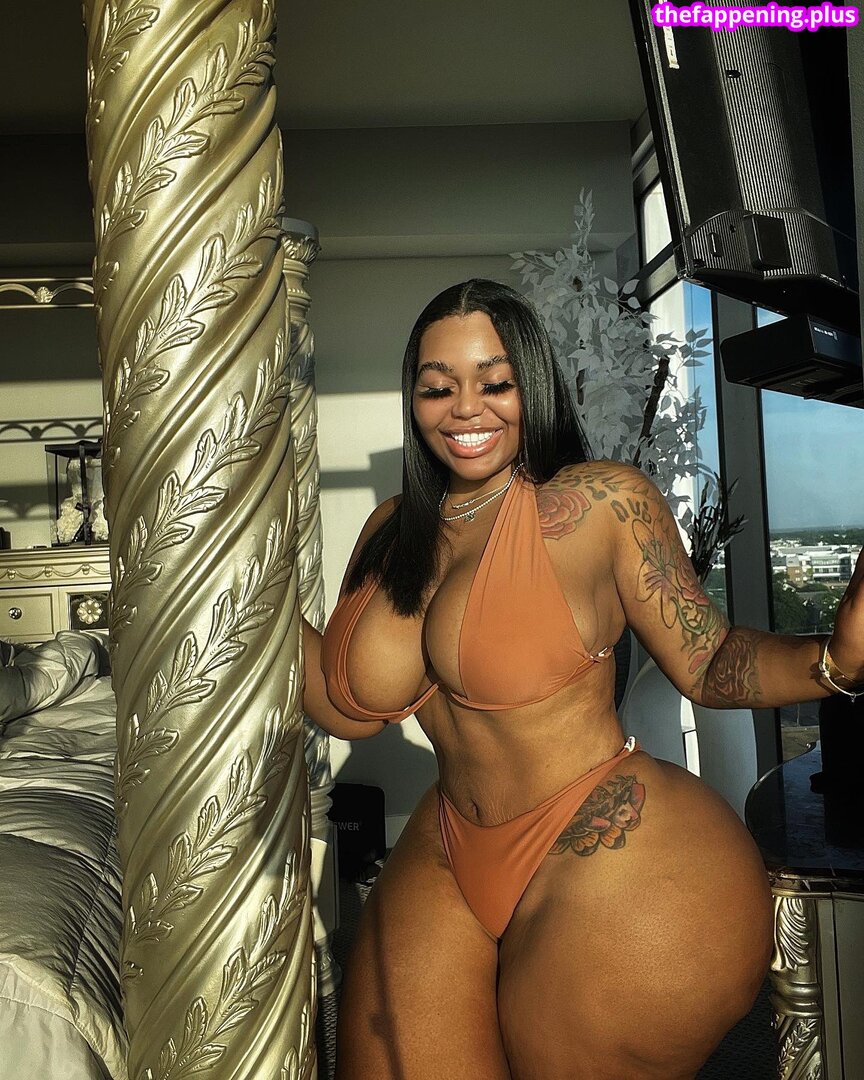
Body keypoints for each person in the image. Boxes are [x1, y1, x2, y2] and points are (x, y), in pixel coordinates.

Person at [301, 279, 864, 1080]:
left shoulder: (601, 505)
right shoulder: (392, 529)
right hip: (450, 842)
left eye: (494, 382)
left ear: (531, 385)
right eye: (438, 387)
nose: (466, 409)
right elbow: (350, 709)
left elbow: (708, 660)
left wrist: (834, 662)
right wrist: (241, 596)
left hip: (604, 848)